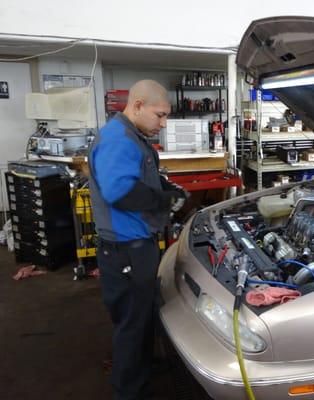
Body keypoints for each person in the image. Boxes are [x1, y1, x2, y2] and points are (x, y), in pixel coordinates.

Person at [88, 79, 188, 399]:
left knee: (143, 312)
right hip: (125, 250)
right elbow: (119, 191)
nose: (164, 123)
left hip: (136, 244)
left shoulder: (134, 135)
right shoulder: (119, 139)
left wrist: (165, 189)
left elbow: (139, 176)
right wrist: (163, 201)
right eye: (160, 115)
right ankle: (130, 389)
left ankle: (141, 366)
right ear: (138, 105)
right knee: (132, 323)